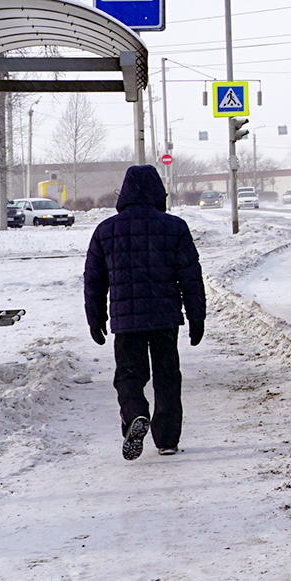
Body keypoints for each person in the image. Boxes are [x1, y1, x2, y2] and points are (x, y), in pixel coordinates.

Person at [83, 164, 206, 460]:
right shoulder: (174, 227)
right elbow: (190, 276)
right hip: (164, 318)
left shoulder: (106, 230)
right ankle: (166, 439)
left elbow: (94, 280)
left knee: (129, 375)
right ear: (158, 193)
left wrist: (95, 317)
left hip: (126, 321)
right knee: (167, 376)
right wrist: (196, 316)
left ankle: (135, 413)